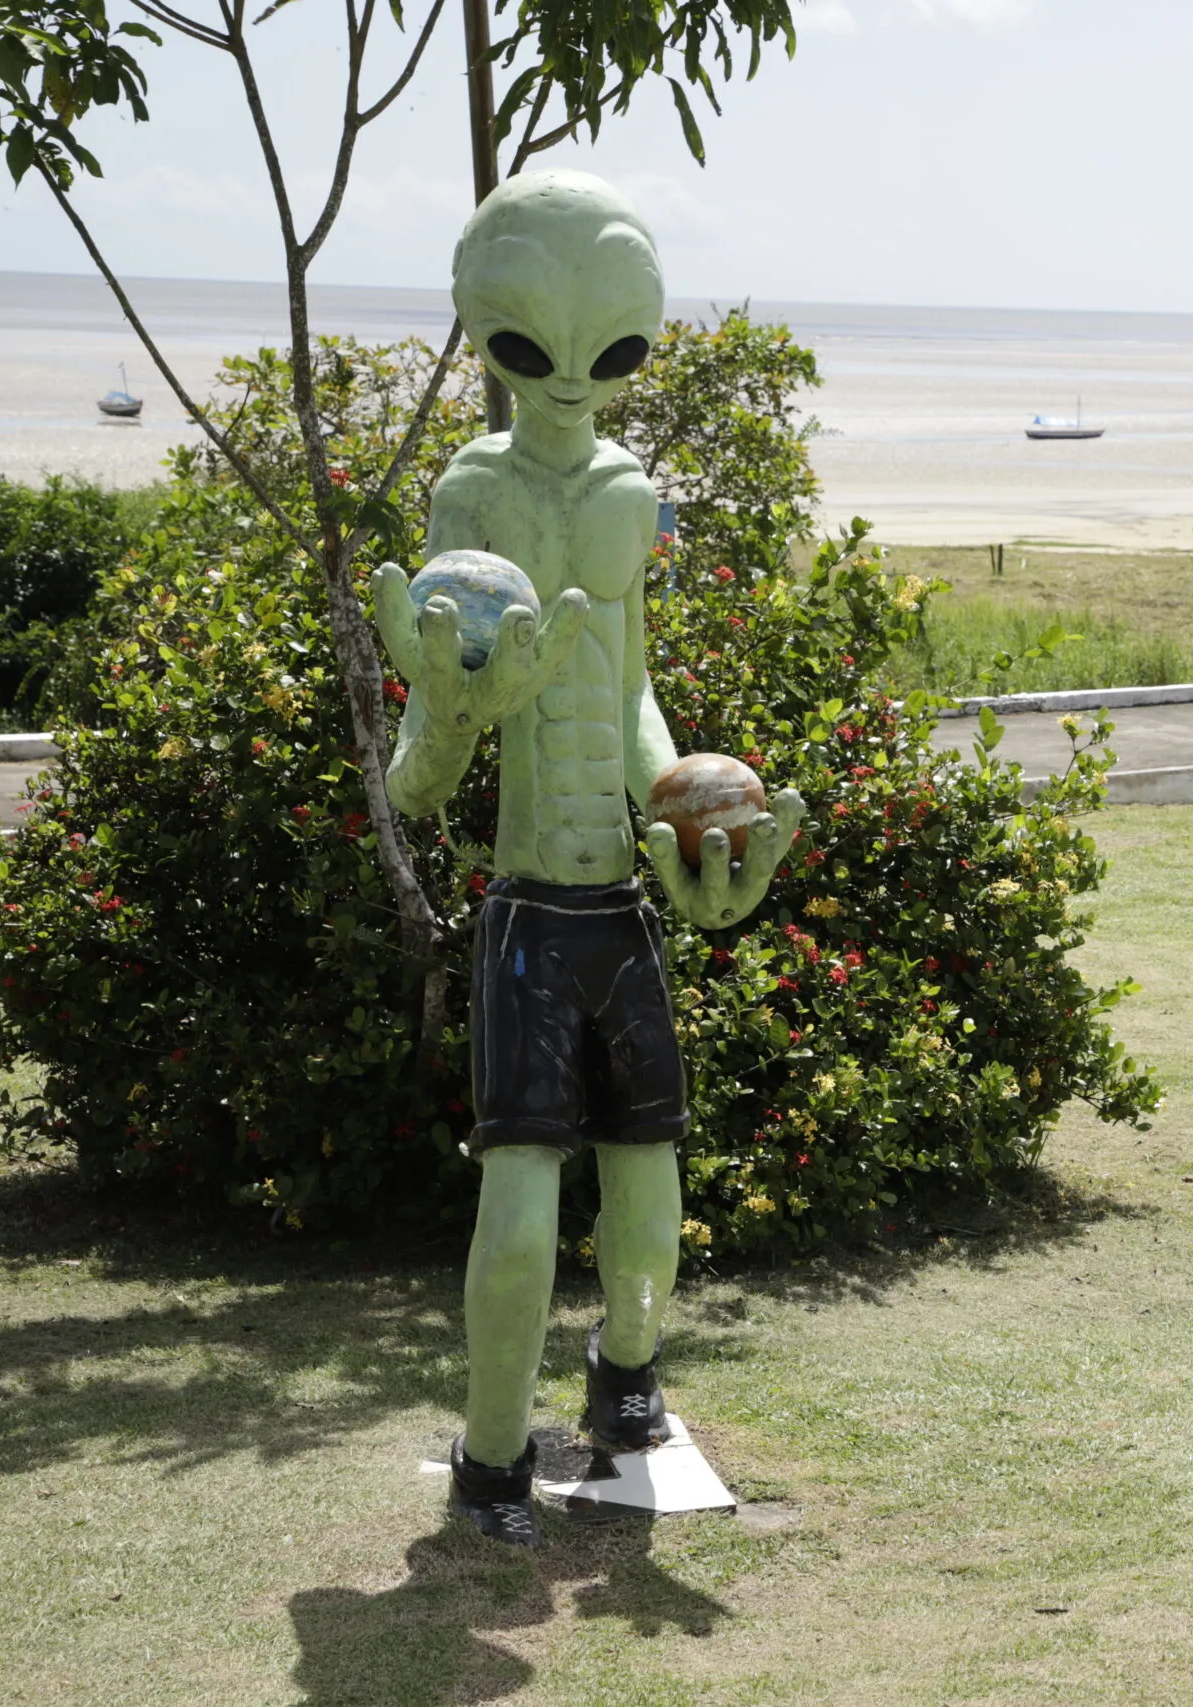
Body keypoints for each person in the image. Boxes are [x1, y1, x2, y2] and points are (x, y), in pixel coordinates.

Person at [372, 170, 801, 1547]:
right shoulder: (469, 493)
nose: (569, 383)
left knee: (650, 1191)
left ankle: (626, 1388)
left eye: (611, 352)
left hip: (619, 900)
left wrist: (688, 813)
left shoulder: (628, 492)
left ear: (641, 339)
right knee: (515, 1210)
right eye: (525, 348)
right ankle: (494, 1461)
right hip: (524, 912)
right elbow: (422, 780)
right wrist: (454, 712)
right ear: (478, 331)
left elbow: (627, 697)